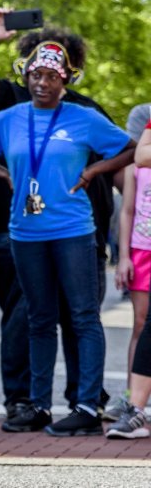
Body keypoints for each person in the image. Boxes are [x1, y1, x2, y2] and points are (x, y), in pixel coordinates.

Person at [0, 10, 120, 418]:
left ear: (70, 73)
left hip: (78, 232)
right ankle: (26, 401)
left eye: (55, 71)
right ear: (25, 68)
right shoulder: (9, 106)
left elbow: (125, 154)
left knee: (79, 317)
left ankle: (84, 402)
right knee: (27, 318)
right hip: (17, 231)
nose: (43, 79)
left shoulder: (88, 112)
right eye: (36, 69)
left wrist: (94, 173)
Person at [114, 153, 151, 421]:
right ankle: (132, 397)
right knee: (141, 323)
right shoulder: (136, 167)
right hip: (142, 250)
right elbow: (127, 211)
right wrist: (124, 257)